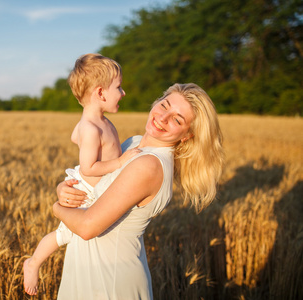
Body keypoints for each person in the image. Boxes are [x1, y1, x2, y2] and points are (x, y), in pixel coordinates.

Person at [53, 83, 224, 299]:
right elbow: (91, 181)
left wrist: (56, 207)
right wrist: (64, 189)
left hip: (109, 280)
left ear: (187, 135)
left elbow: (87, 227)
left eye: (177, 120)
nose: (163, 118)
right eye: (165, 105)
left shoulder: (150, 165)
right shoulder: (133, 144)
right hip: (87, 267)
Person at [23, 53, 140, 296]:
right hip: (87, 192)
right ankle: (33, 262)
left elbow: (73, 138)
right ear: (100, 93)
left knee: (64, 234)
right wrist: (119, 161)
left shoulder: (97, 122)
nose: (123, 93)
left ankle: (34, 261)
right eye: (119, 87)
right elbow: (88, 168)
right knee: (62, 235)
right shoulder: (91, 127)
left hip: (94, 185)